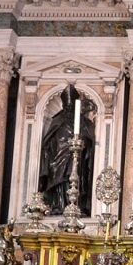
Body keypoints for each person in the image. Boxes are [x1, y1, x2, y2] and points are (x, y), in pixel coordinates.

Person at [38, 85, 95, 215]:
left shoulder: (84, 122)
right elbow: (48, 141)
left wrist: (82, 143)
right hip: (57, 157)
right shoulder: (57, 120)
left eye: (71, 106)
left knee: (75, 176)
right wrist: (50, 151)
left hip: (76, 156)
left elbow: (89, 138)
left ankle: (76, 205)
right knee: (58, 181)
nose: (69, 109)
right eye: (67, 106)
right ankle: (58, 205)